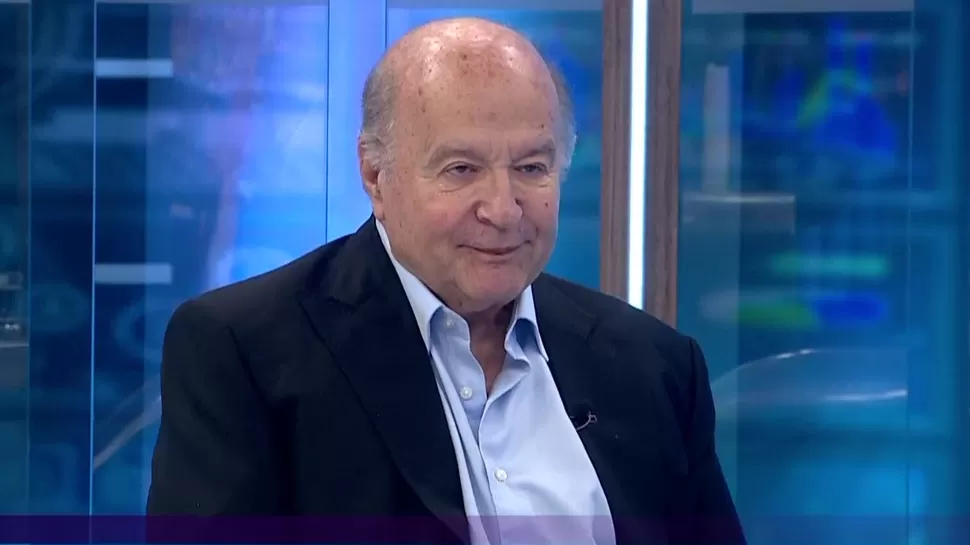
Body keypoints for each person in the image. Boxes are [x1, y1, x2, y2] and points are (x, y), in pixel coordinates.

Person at [147, 17, 744, 545]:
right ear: (375, 175)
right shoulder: (245, 351)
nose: (503, 209)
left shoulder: (653, 366)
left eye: (531, 168)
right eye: (462, 169)